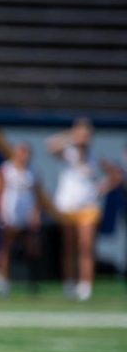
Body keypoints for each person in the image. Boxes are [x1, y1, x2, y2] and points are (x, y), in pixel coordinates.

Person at [47, 120, 121, 301]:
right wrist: (71, 136)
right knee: (69, 246)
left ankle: (85, 285)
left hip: (88, 207)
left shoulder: (95, 157)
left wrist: (102, 187)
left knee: (86, 246)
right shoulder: (67, 154)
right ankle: (69, 283)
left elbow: (116, 175)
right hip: (67, 206)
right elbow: (50, 145)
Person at [0, 143, 42, 295]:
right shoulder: (6, 169)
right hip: (10, 213)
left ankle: (33, 282)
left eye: (26, 154)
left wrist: (35, 213)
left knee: (31, 247)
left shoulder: (33, 172)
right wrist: (1, 211)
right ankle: (3, 282)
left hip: (26, 214)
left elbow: (37, 195)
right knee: (6, 247)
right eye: (21, 153)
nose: (24, 157)